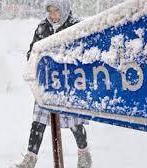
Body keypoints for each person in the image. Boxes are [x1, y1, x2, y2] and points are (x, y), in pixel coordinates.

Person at [14, 0, 92, 168]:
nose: (53, 15)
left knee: (74, 123)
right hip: (47, 83)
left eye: (56, 11)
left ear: (64, 10)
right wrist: (38, 63)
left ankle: (84, 153)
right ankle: (30, 158)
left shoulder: (76, 26)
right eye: (50, 11)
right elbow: (32, 52)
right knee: (38, 121)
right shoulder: (43, 27)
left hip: (69, 85)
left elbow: (84, 53)